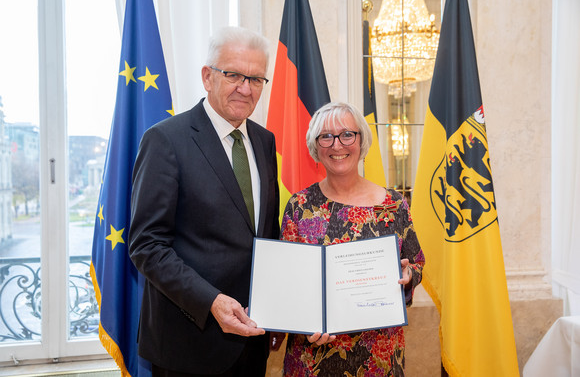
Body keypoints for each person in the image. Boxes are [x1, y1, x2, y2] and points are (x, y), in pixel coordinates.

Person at [129, 26, 280, 376]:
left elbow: (264, 235)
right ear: (207, 77)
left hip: (253, 338)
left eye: (256, 79)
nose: (245, 88)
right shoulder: (165, 140)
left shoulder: (265, 142)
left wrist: (279, 308)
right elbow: (147, 245)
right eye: (234, 75)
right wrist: (210, 302)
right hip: (187, 344)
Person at [278, 102, 425, 376]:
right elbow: (287, 281)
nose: (337, 145)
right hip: (313, 354)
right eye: (326, 136)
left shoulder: (394, 205)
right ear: (315, 146)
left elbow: (416, 263)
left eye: (347, 134)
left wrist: (407, 276)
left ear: (361, 140)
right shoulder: (299, 206)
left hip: (378, 354)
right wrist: (303, 323)